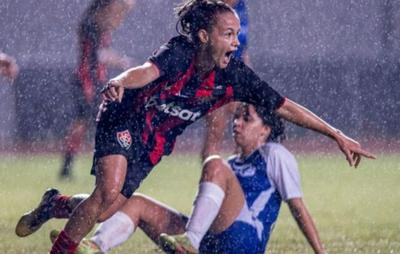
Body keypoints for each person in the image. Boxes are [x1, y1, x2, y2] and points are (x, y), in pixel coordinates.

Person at [16, 1, 374, 253]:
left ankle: (54, 204)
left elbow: (285, 107)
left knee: (107, 209)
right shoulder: (180, 51)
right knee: (107, 194)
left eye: (237, 35)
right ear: (203, 35)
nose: (236, 43)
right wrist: (121, 81)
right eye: (228, 34)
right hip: (124, 115)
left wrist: (337, 134)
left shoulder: (234, 75)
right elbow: (146, 71)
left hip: (154, 142)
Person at [48, 103, 325, 254]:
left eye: (246, 119)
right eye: (236, 117)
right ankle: (96, 246)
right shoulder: (229, 164)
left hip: (244, 242)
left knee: (214, 164)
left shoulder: (274, 155)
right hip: (212, 242)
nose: (236, 122)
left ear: (265, 130)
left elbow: (297, 207)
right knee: (138, 203)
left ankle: (189, 240)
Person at [59, 0, 134, 179]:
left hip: (93, 80)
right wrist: (120, 60)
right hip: (87, 81)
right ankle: (103, 163)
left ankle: (74, 165)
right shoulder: (92, 25)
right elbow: (97, 55)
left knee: (87, 122)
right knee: (91, 122)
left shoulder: (97, 25)